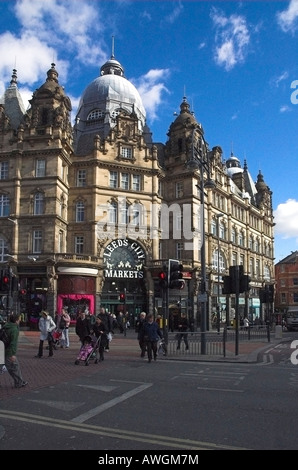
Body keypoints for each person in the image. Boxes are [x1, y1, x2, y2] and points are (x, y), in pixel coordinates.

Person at [3, 313, 28, 388]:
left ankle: (19, 381)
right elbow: (13, 343)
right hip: (8, 351)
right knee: (14, 367)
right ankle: (19, 382)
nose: (20, 321)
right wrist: (12, 354)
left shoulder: (5, 327)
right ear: (16, 320)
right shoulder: (14, 329)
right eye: (19, 319)